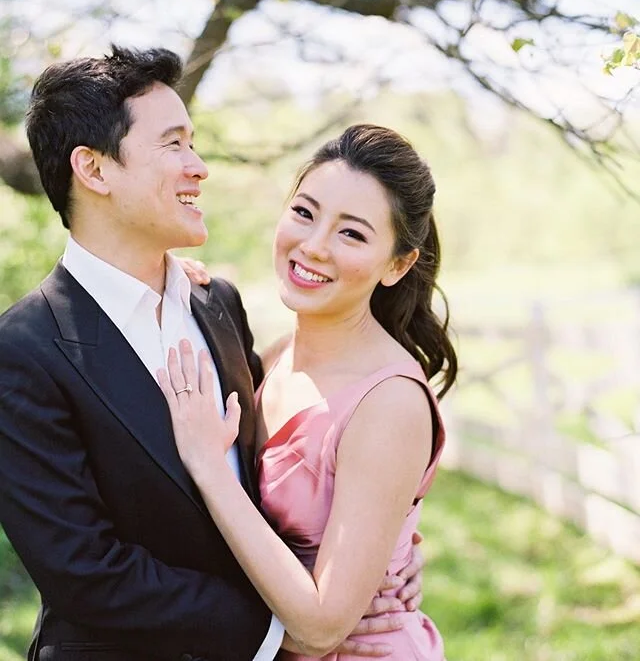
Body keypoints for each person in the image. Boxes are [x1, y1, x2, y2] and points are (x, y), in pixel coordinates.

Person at [0, 48, 424, 661]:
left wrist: (381, 557)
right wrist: (289, 629)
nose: (199, 167)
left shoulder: (216, 303)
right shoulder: (24, 351)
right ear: (93, 169)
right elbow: (85, 572)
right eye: (173, 145)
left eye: (193, 144)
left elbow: (277, 478)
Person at [159, 124, 458, 660]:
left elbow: (321, 628)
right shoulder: (273, 358)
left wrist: (206, 466)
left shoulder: (388, 403)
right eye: (304, 212)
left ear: (398, 264)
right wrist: (156, 281)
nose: (313, 246)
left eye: (352, 234)